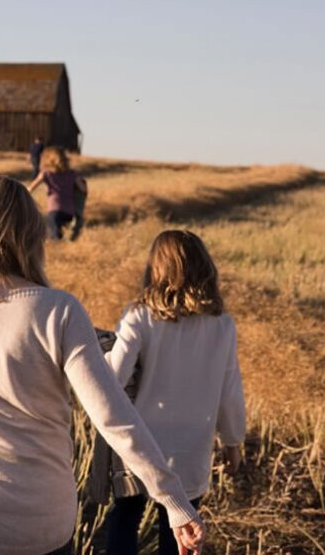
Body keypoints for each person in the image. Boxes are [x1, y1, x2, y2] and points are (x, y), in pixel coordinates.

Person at [0, 176, 205, 555]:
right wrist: (173, 500)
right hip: (38, 527)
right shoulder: (59, 311)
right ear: (31, 234)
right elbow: (113, 417)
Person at [103, 230, 246, 555]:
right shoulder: (222, 324)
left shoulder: (140, 315)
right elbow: (230, 388)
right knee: (180, 529)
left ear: (156, 268)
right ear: (205, 268)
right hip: (193, 447)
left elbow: (113, 376)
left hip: (142, 444)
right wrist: (233, 441)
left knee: (124, 517)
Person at [27, 147, 86, 240]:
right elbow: (83, 189)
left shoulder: (46, 173)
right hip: (70, 211)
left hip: (55, 209)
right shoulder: (72, 174)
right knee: (62, 234)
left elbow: (30, 188)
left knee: (53, 237)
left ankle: (59, 249)